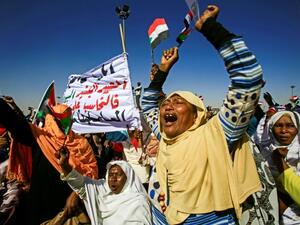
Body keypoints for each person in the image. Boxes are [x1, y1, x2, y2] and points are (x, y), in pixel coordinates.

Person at [142, 5, 267, 225]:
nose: (168, 106)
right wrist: (163, 71)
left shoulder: (217, 135)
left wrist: (210, 27)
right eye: (167, 102)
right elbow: (147, 103)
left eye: (179, 102)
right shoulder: (164, 135)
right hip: (159, 216)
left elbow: (248, 79)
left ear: (196, 114)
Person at [0, 97, 98, 225]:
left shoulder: (81, 143)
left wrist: (75, 195)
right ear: (51, 120)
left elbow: (91, 173)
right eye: (58, 120)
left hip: (69, 207)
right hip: (40, 205)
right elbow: (16, 123)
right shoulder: (39, 137)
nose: (64, 124)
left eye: (67, 119)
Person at [57, 148, 152, 225]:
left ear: (128, 178)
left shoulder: (138, 201)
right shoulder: (102, 190)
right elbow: (80, 184)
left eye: (118, 175)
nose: (113, 178)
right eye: (111, 175)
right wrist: (65, 165)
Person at [259, 111, 300, 224]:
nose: (283, 131)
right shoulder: (263, 152)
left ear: (298, 129)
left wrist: (280, 162)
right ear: (271, 129)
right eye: (278, 126)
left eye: (290, 126)